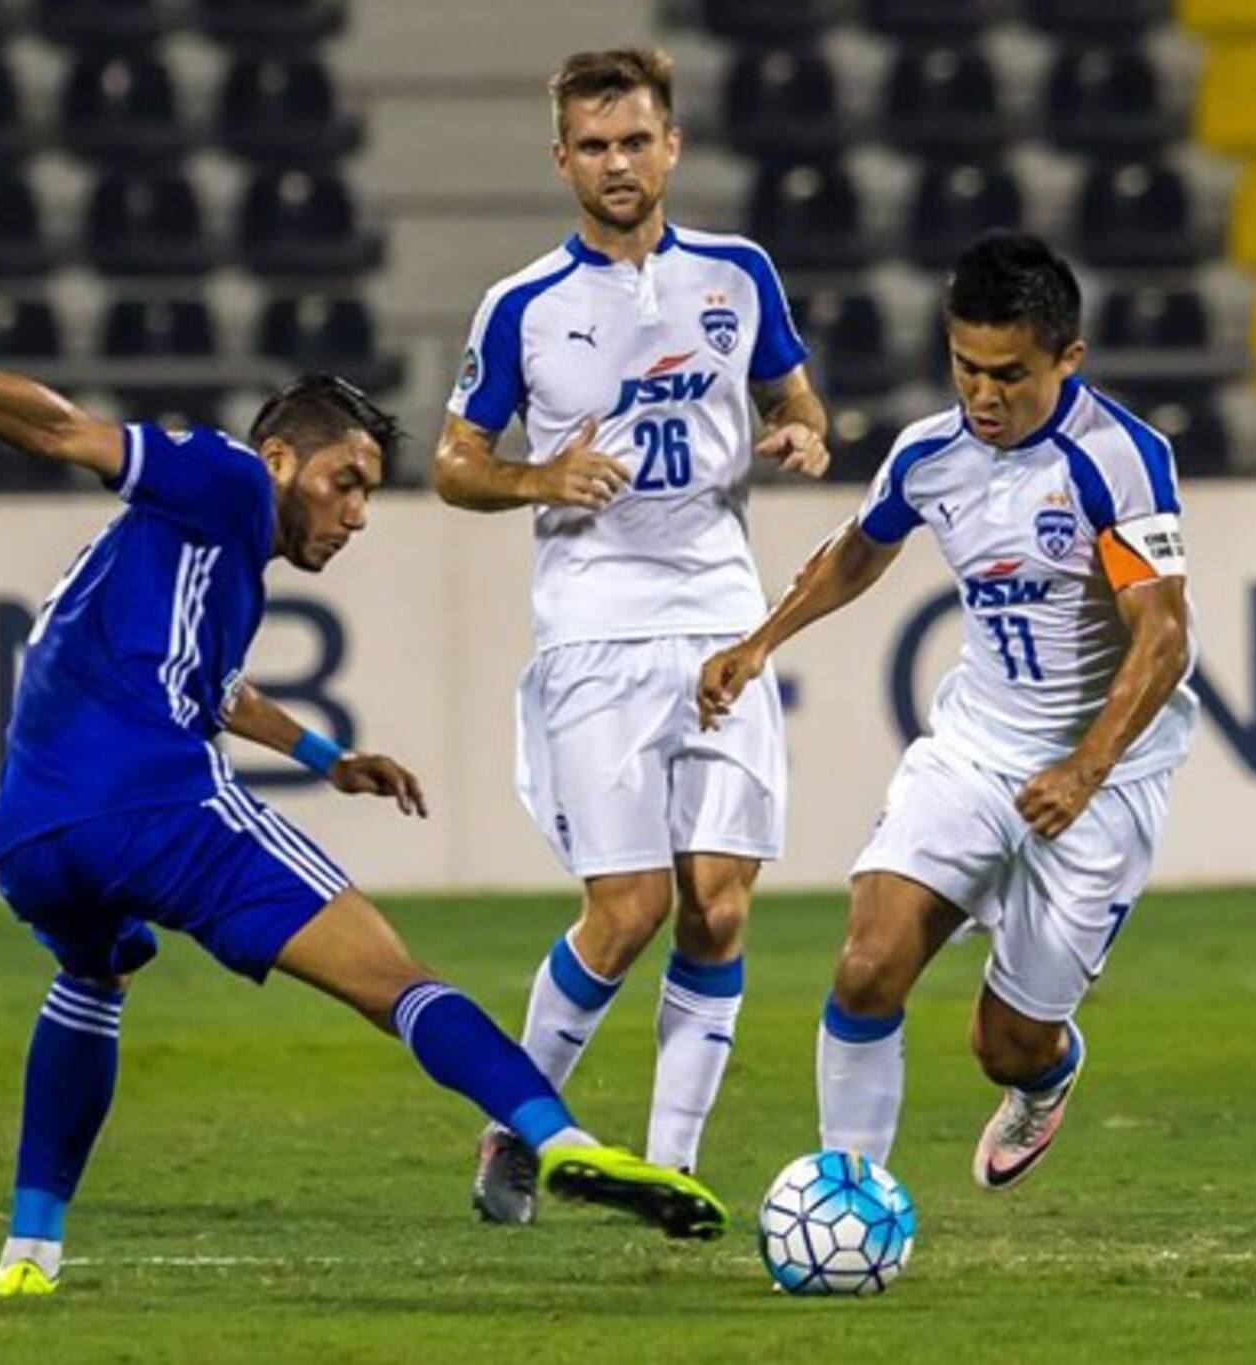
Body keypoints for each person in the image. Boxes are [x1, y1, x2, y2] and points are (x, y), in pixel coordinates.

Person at [0, 286, 731, 1297]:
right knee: (395, 980)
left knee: (91, 982)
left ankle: (28, 1254)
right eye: (344, 481)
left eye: (367, 492)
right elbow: (58, 429)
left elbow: (216, 691)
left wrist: (326, 759)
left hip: (33, 833)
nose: (356, 512)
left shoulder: (192, 561)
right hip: (152, 802)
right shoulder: (223, 474)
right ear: (279, 461)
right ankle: (555, 1137)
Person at [696, 231, 1198, 1190]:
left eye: (1009, 374)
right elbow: (859, 548)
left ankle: (1045, 1078)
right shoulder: (931, 453)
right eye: (966, 367)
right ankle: (851, 1196)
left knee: (1006, 1044)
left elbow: (1161, 638)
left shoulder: (1118, 461)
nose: (982, 395)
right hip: (975, 749)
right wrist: (760, 641)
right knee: (866, 964)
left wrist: (1085, 767)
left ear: (1067, 360)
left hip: (1103, 778)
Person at [434, 49, 830, 1221]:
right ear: (563, 161)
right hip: (595, 628)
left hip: (720, 614)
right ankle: (516, 1125)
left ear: (671, 147)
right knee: (628, 910)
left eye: (635, 141)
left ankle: (672, 1166)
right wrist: (540, 473)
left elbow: (795, 396)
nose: (617, 163)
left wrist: (802, 432)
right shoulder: (519, 305)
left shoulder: (737, 272)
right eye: (594, 146)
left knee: (717, 901)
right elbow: (453, 465)